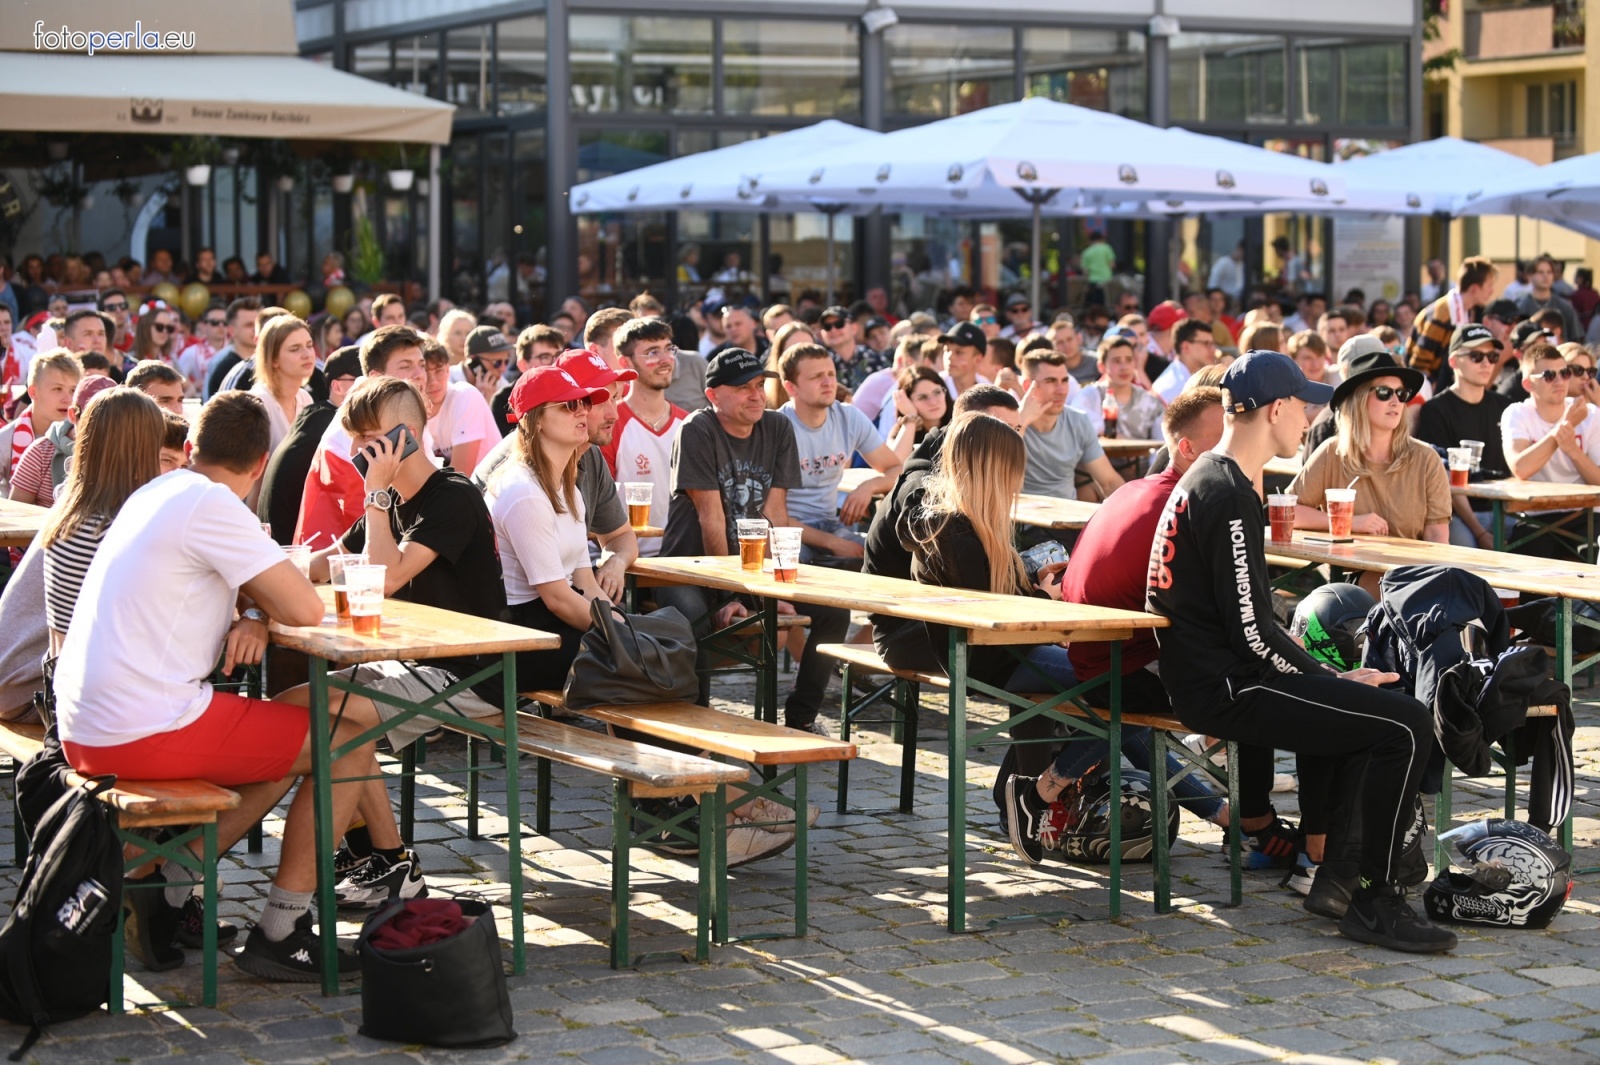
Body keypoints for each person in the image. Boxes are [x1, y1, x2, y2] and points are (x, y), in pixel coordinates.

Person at [55, 392, 386, 979]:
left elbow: (230, 587)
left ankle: (170, 885)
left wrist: (252, 615)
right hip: (143, 725)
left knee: (300, 723)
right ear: (261, 464)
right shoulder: (213, 504)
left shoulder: (157, 492)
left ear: (189, 449)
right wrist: (260, 610)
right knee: (348, 740)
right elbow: (305, 608)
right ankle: (282, 930)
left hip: (90, 720)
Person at [1147, 350, 1453, 953]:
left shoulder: (1215, 478)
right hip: (1225, 689)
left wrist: (1332, 678)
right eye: (1305, 407)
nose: (1309, 420)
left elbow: (1252, 626)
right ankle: (1376, 897)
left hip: (1220, 676)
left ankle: (1338, 878)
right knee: (1409, 725)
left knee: (1378, 705)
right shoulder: (1226, 489)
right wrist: (1330, 680)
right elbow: (1255, 637)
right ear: (1277, 409)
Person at [1007, 386, 1276, 864]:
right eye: (1224, 444)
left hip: (1098, 651)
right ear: (1187, 448)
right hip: (1114, 662)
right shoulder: (1187, 505)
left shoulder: (1139, 488)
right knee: (1256, 690)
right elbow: (1215, 614)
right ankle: (1258, 829)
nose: (1237, 454)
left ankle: (1227, 816)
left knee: (1153, 708)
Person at [657, 348, 836, 734]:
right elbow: (711, 519)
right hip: (690, 566)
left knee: (833, 612)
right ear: (713, 396)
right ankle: (696, 732)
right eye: (743, 388)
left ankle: (802, 716)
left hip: (753, 567)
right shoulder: (697, 429)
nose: (756, 395)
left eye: (759, 385)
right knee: (696, 626)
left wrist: (767, 590)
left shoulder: (777, 427)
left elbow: (776, 514)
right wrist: (731, 594)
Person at [864, 386, 1020, 674]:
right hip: (912, 629)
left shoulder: (964, 481)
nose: (1014, 439)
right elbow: (971, 589)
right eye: (1002, 428)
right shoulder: (927, 496)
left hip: (944, 623)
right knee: (1048, 665)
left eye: (1018, 428)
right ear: (969, 429)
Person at [1290, 350, 1450, 593]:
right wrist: (1350, 523)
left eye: (1401, 394)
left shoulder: (1426, 458)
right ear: (1359, 400)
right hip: (1351, 573)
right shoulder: (1332, 452)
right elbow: (1288, 512)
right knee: (1377, 580)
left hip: (1412, 576)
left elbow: (1437, 536)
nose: (1396, 401)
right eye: (1384, 393)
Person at [296, 325, 429, 547]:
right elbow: (371, 532)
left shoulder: (401, 407)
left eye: (422, 365)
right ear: (376, 377)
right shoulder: (353, 434)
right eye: (406, 366)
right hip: (343, 568)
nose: (420, 375)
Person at [778, 343, 904, 563]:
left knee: (895, 556)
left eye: (831, 374)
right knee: (792, 567)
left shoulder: (848, 417)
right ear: (791, 388)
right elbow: (773, 516)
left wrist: (868, 487)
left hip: (833, 525)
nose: (828, 382)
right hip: (789, 534)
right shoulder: (777, 428)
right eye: (816, 376)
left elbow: (897, 469)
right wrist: (833, 543)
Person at [1413, 325, 1514, 549]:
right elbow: (1444, 480)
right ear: (1454, 362)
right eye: (1476, 356)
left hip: (1506, 510)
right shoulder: (1436, 410)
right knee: (1460, 548)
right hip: (1458, 515)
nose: (1487, 363)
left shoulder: (1504, 406)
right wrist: (1480, 533)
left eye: (1492, 356)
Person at [1500, 341, 1600, 560]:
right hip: (1536, 514)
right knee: (1526, 573)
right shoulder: (1516, 413)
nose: (1559, 381)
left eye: (1564, 373)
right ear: (1528, 384)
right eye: (1548, 375)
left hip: (1585, 514)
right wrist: (1561, 430)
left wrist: (1573, 451)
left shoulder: (1590, 414)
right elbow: (1520, 468)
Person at [258, 346, 362, 544]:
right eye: (361, 380)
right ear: (337, 387)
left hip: (279, 544)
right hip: (294, 552)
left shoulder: (316, 416)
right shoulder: (335, 428)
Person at [601, 317, 686, 557]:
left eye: (669, 349)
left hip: (682, 560)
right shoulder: (610, 422)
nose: (665, 360)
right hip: (627, 561)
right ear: (624, 363)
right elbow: (597, 507)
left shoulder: (689, 423)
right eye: (651, 352)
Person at [1017, 346, 1122, 503]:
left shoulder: (1078, 421)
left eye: (1064, 381)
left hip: (1068, 520)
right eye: (1051, 381)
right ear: (1027, 386)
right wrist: (1022, 422)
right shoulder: (1009, 421)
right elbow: (993, 479)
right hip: (1022, 522)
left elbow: (1109, 482)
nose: (1061, 390)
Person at [1404, 256, 1499, 388]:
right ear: (1474, 289)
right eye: (1489, 285)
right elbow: (1419, 365)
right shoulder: (1442, 313)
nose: (1492, 290)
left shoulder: (1472, 311)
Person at [2, 349, 79, 497]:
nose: (67, 399)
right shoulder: (5, 439)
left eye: (73, 390)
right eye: (58, 389)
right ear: (33, 392)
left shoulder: (81, 438)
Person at [423, 333, 500, 474]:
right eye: (425, 373)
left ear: (448, 370)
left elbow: (461, 475)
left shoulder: (465, 396)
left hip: (491, 490)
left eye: (439, 370)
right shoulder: (412, 409)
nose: (433, 381)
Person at [250, 314, 317, 456]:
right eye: (295, 349)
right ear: (273, 359)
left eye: (309, 345)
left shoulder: (305, 398)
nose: (307, 354)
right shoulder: (259, 403)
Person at [491, 324, 565, 434]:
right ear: (523, 365)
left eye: (559, 355)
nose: (555, 363)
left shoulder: (573, 397)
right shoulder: (503, 401)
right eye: (545, 357)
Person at [203, 297, 262, 401]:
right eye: (249, 325)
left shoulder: (262, 363)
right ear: (232, 330)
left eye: (258, 324)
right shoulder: (223, 366)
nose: (255, 329)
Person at [817, 305, 886, 393]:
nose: (833, 330)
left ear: (854, 328)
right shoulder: (819, 365)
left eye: (839, 324)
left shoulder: (875, 359)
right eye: (827, 327)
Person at [879, 365, 951, 448]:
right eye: (922, 397)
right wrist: (911, 418)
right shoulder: (901, 431)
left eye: (937, 392)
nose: (933, 402)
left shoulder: (962, 418)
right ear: (908, 401)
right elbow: (896, 460)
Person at [1516, 255, 1582, 343]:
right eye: (1540, 272)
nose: (1545, 276)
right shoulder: (1521, 307)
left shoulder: (1565, 307)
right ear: (1530, 276)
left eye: (1549, 272)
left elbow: (1577, 339)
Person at [1150, 320, 1218, 403]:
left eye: (1212, 344)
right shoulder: (1173, 387)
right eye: (1206, 343)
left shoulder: (1185, 378)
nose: (1213, 349)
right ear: (1186, 347)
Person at [177, 303, 229, 395]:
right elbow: (178, 383)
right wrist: (193, 385)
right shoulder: (192, 352)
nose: (221, 326)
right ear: (204, 326)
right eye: (215, 322)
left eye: (225, 322)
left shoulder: (233, 350)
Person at [938, 321, 989, 397]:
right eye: (947, 350)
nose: (950, 357)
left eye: (959, 352)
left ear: (978, 359)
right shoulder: (934, 385)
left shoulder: (988, 392)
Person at [132, 302, 180, 367]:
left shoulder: (172, 359)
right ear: (146, 327)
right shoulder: (131, 360)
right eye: (159, 327)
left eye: (169, 328)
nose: (164, 331)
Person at [1080, 230, 1115, 306]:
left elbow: (1085, 271)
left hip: (1092, 282)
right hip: (1107, 281)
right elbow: (1112, 265)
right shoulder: (1107, 248)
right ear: (1101, 239)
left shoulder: (1086, 252)